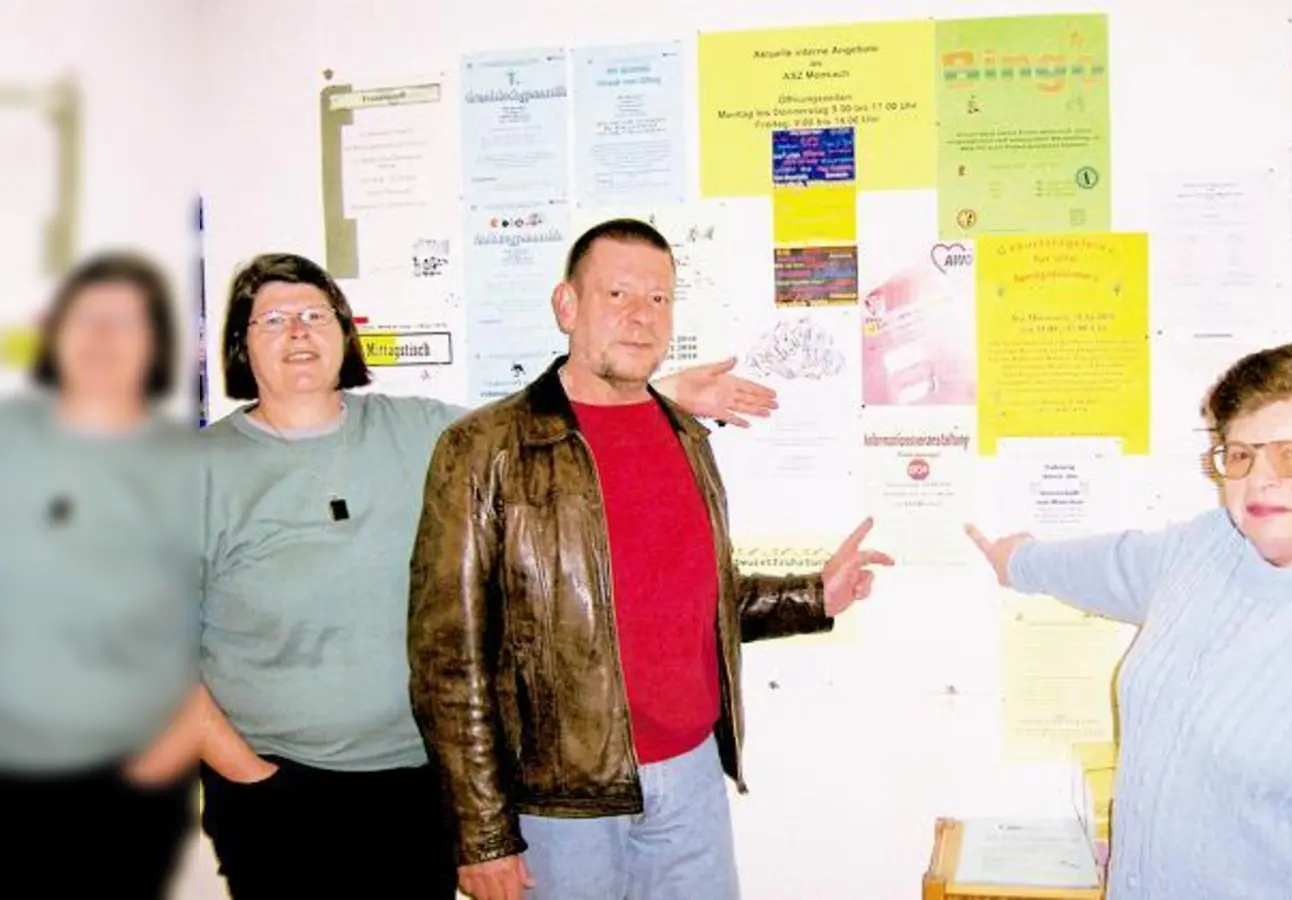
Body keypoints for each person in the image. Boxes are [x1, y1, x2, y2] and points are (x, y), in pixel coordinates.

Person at [195, 250, 780, 899]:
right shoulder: (199, 469)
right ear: (241, 345)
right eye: (272, 320)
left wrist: (659, 393)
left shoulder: (418, 430)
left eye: (314, 314)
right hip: (282, 789)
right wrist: (245, 774)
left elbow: (540, 433)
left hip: (416, 782)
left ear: (344, 330)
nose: (299, 332)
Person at [408, 218, 893, 900]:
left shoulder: (685, 436)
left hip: (692, 779)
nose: (641, 317)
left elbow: (697, 598)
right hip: (561, 801)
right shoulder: (483, 450)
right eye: (617, 295)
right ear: (567, 306)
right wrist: (484, 835)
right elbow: (447, 661)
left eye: (659, 299)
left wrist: (817, 594)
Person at [967, 338, 1292, 898]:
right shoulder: (1210, 547)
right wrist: (1018, 561)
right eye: (1241, 454)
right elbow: (1116, 564)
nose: (1259, 478)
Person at [0, 252, 202, 899]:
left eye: (127, 321)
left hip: (134, 783)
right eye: (88, 319)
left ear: (156, 344)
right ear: (56, 333)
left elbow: (228, 619)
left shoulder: (191, 465)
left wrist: (167, 755)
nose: (104, 338)